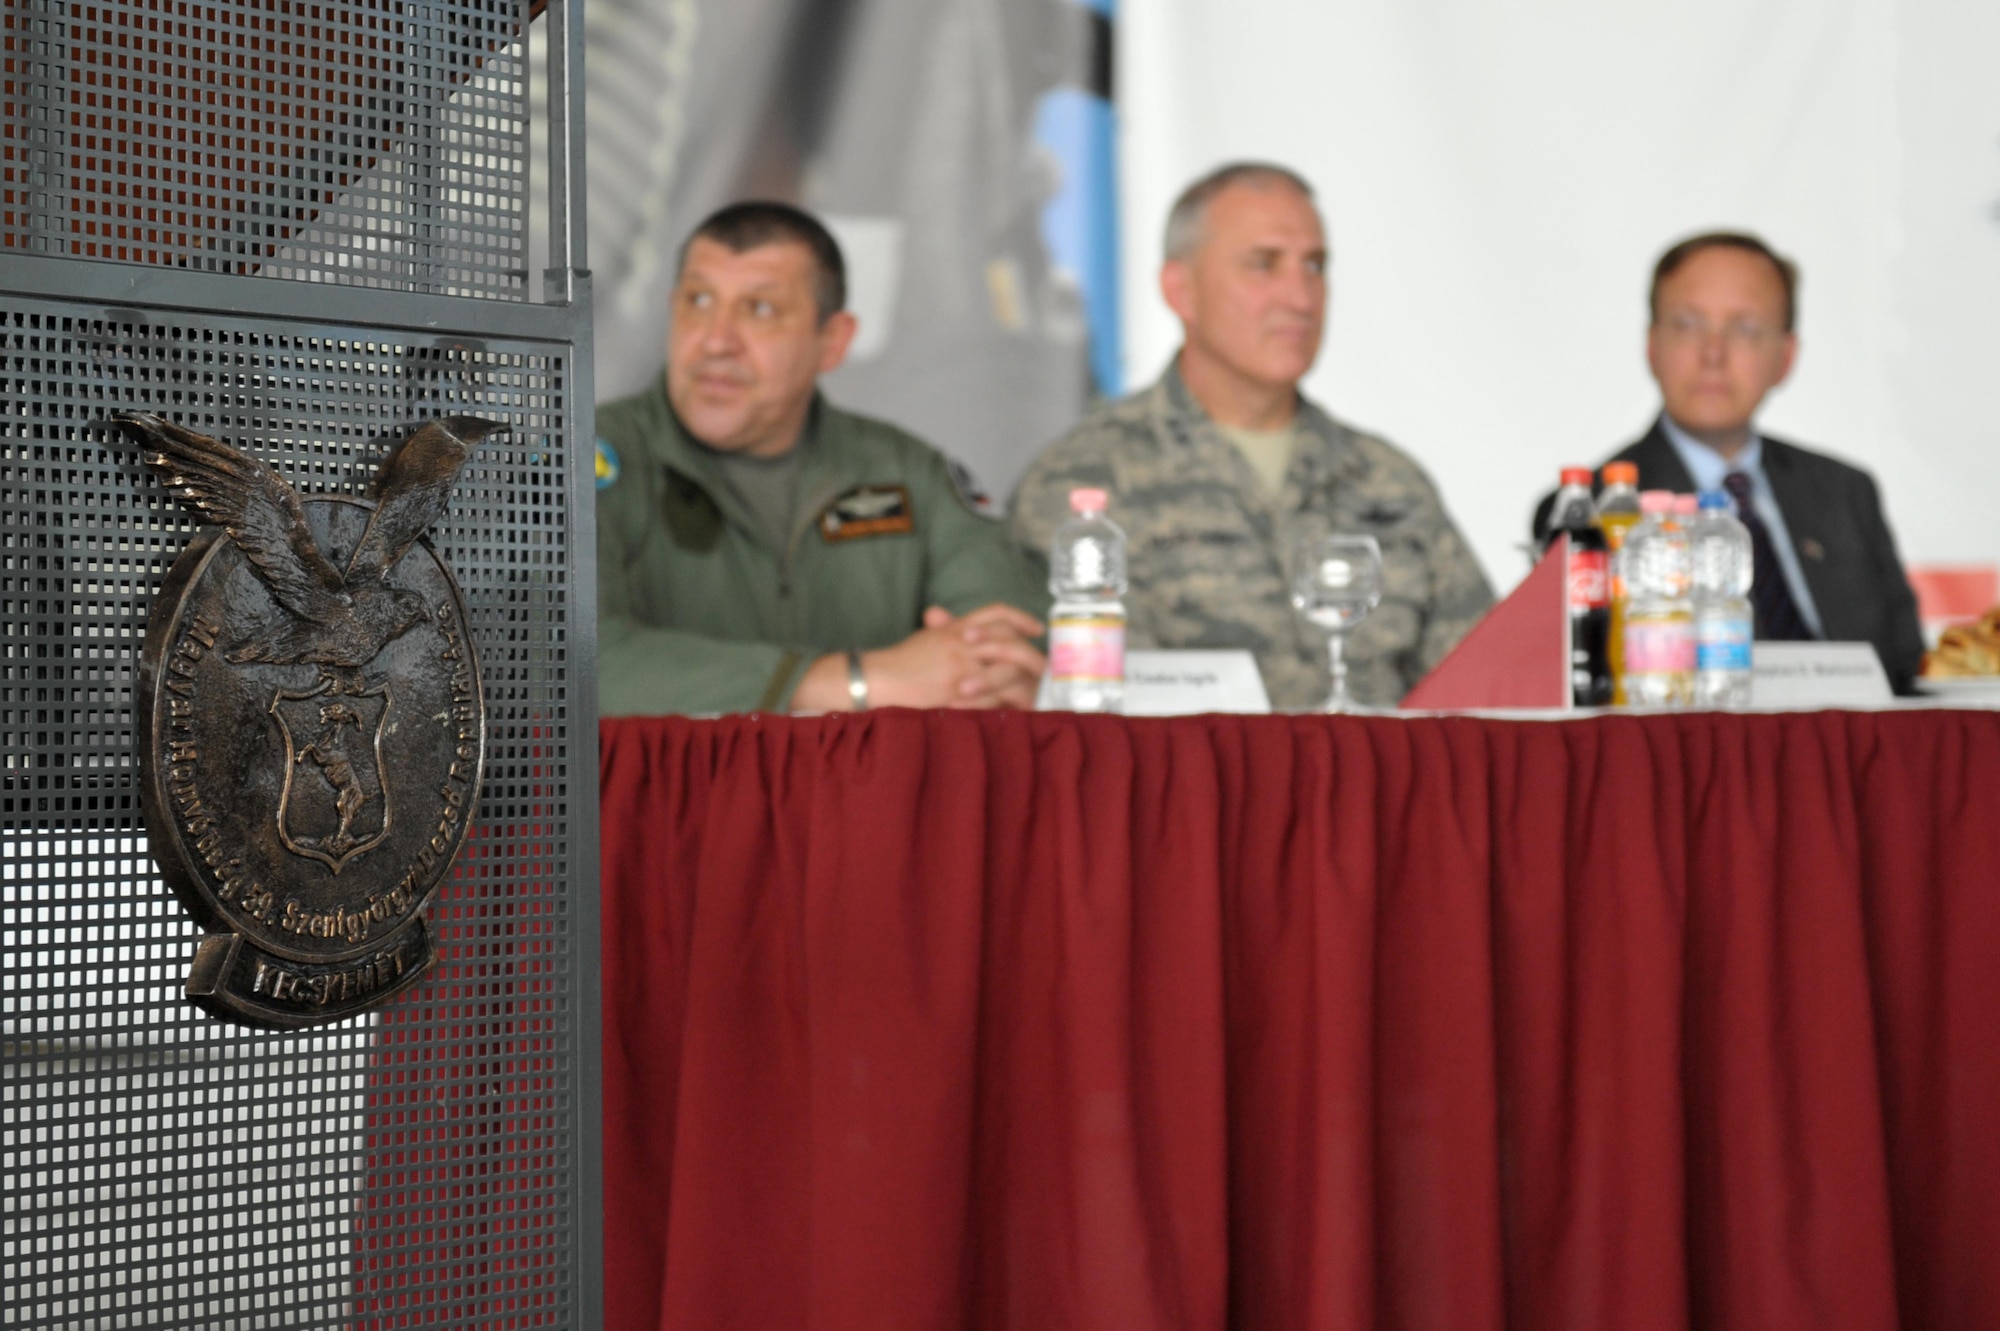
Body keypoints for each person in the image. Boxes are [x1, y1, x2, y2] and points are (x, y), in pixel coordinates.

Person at [1008, 163, 1493, 709]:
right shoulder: (1083, 483)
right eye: (1264, 265)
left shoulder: (1389, 481)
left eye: (1314, 265)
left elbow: (1487, 695)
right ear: (1180, 290)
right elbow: (1098, 719)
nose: (1301, 298)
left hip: (1389, 792)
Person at [597, 202, 1047, 715]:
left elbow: (1009, 637)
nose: (716, 340)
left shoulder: (904, 472)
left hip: (867, 793)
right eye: (699, 301)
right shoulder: (584, 464)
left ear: (832, 342)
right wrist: (853, 682)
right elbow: (558, 662)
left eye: (760, 309)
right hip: (659, 795)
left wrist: (975, 671)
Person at [1534, 232, 1923, 692]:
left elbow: (1907, 668)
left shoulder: (1844, 491)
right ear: (1652, 346)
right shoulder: (1591, 509)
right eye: (1687, 325)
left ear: (1786, 357)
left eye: (1744, 328)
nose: (1713, 354)